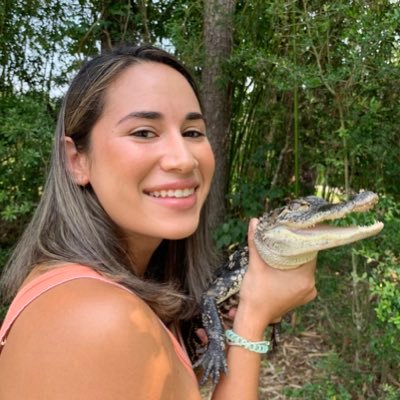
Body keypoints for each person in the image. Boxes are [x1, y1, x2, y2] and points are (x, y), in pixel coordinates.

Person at [0, 45, 317, 399]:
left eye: (193, 132)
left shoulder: (106, 290)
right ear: (77, 160)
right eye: (144, 132)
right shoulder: (97, 318)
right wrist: (254, 319)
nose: (183, 160)